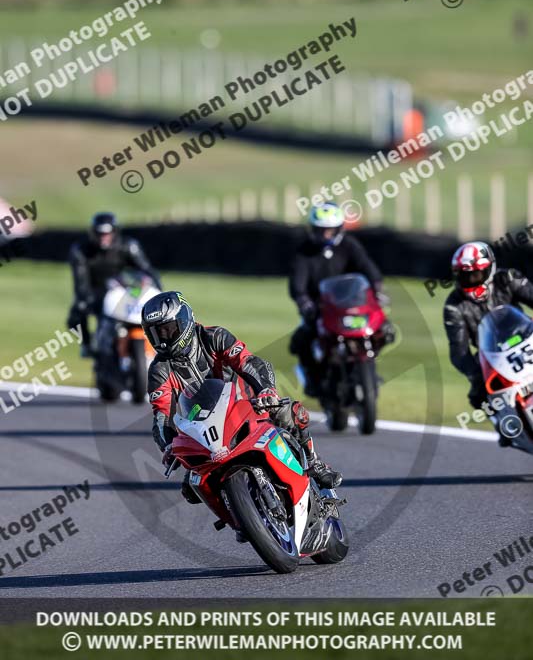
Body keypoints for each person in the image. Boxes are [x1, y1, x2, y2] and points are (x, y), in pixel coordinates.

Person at [141, 291, 342, 513]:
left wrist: (266, 391)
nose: (164, 338)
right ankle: (239, 516)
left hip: (246, 406)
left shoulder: (214, 336)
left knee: (289, 413)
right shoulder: (159, 370)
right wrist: (168, 445)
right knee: (192, 486)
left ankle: (313, 464)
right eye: (156, 334)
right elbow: (162, 415)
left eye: (168, 329)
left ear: (185, 319)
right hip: (205, 429)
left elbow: (248, 362)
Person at [289, 202, 392, 397]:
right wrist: (304, 301)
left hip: (350, 305)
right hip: (319, 308)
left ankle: (369, 367)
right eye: (321, 230)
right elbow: (297, 284)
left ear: (338, 228)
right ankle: (312, 378)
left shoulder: (349, 246)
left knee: (384, 329)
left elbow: (368, 269)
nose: (326, 234)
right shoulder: (305, 252)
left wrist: (377, 289)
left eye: (330, 230)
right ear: (313, 229)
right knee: (303, 339)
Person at [443, 240, 533, 445]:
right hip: (491, 355)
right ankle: (502, 423)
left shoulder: (508, 278)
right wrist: (476, 373)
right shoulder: (454, 306)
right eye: (463, 276)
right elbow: (458, 350)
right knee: (477, 393)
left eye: (475, 275)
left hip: (526, 337)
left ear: (489, 269)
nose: (470, 281)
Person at [67, 212, 161, 356]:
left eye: (107, 233)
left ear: (115, 232)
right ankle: (87, 344)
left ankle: (160, 344)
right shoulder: (81, 251)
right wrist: (86, 299)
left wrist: (157, 290)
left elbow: (147, 271)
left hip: (124, 289)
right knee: (76, 314)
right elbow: (81, 284)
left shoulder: (129, 246)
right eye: (99, 234)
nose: (103, 237)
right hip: (96, 291)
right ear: (93, 233)